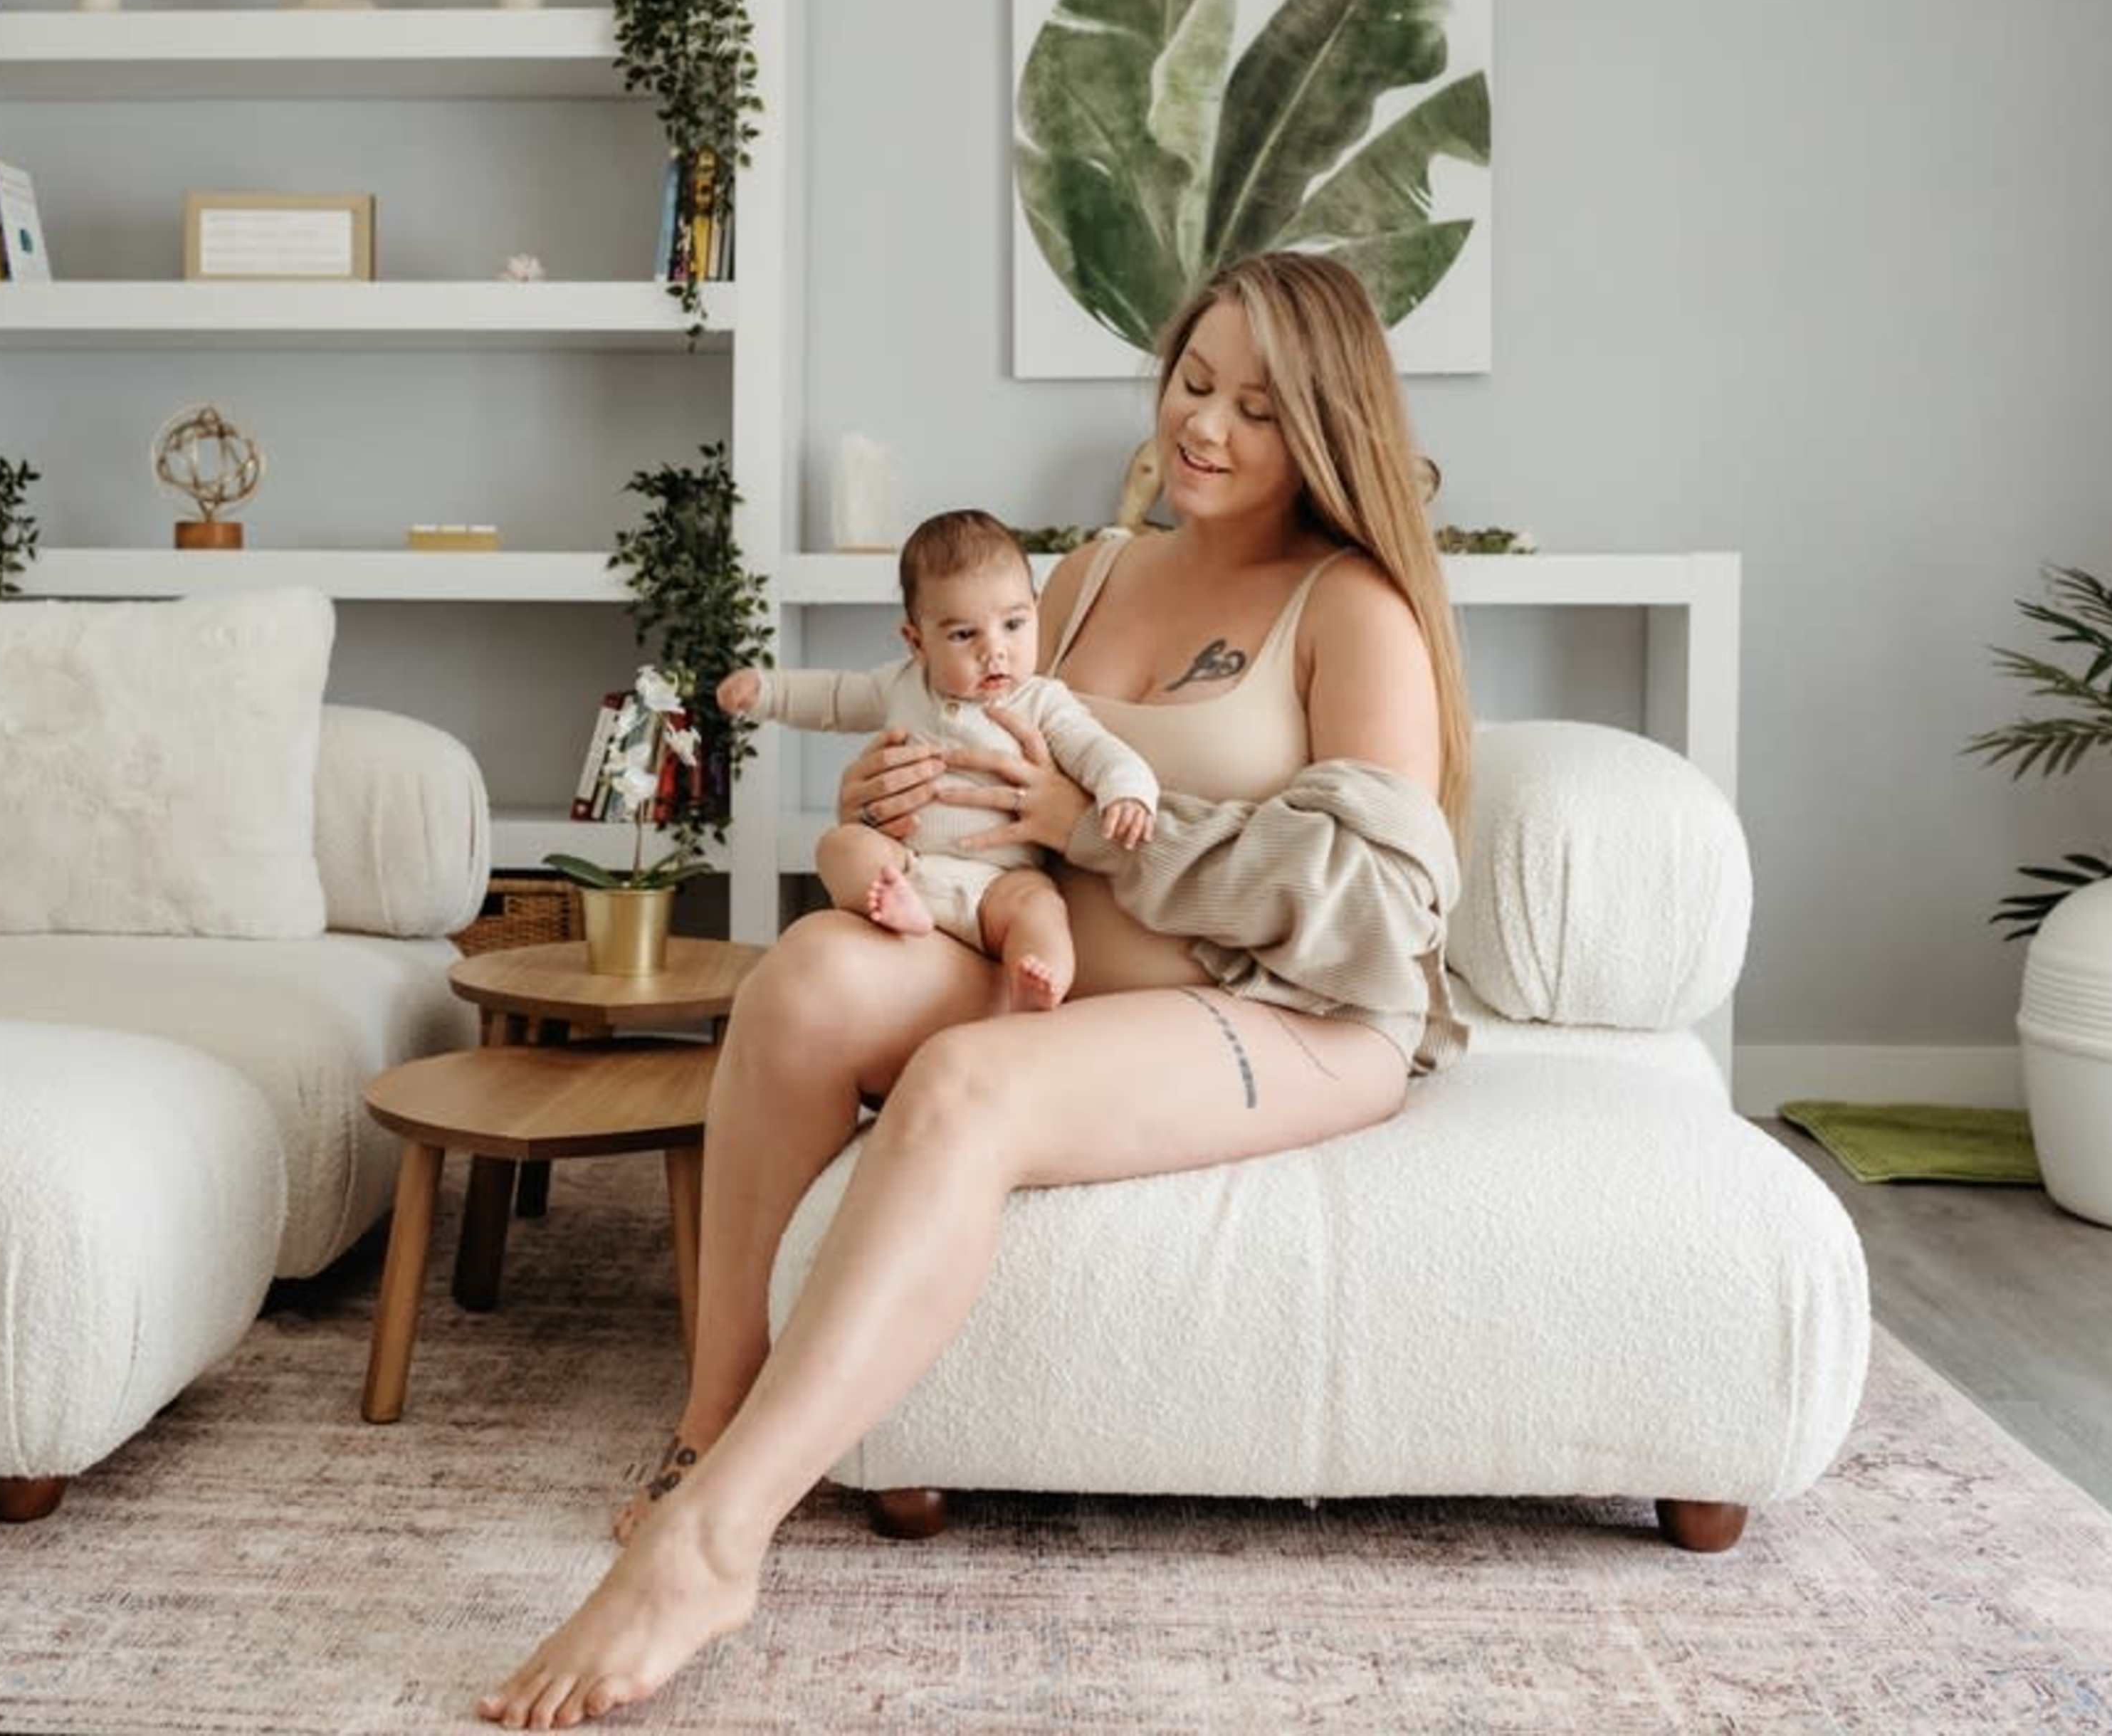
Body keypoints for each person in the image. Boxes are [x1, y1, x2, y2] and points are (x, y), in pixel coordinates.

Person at [476, 251, 1474, 1730]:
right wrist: (891, 795)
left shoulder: (1352, 608)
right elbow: (985, 766)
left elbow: (1385, 913)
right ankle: (707, 1421)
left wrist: (1094, 837)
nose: (1205, 427)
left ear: (1325, 426)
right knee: (806, 975)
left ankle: (716, 1539)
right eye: (1195, 383)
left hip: (1296, 1015)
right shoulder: (1083, 575)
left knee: (964, 1086)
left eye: (1257, 408)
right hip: (1040, 948)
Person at [717, 507, 1157, 1012]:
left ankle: (1038, 980)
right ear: (917, 640)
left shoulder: (1041, 701)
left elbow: (1097, 748)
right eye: (964, 635)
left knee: (1042, 908)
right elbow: (835, 696)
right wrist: (767, 691)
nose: (996, 651)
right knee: (843, 846)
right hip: (909, 868)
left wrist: (1127, 789)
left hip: (1001, 881)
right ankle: (895, 912)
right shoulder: (902, 685)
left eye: (1014, 624)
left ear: (1037, 610)